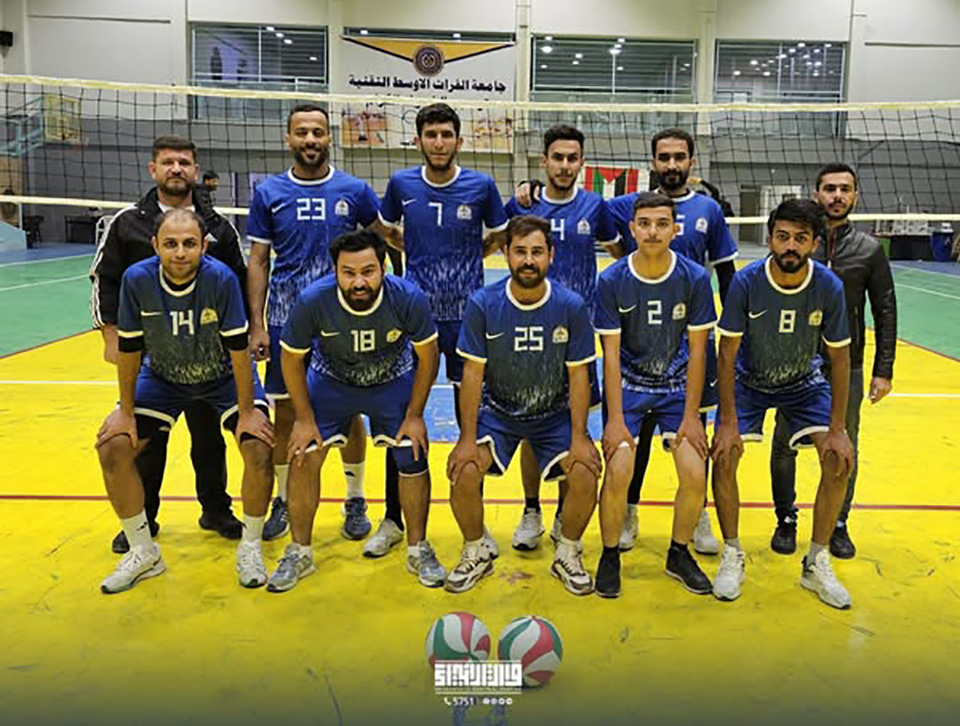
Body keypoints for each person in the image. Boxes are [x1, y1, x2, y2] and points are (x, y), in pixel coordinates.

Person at [96, 208, 274, 593]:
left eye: (189, 244)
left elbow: (239, 351)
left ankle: (251, 547)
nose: (180, 252)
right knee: (113, 447)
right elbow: (129, 349)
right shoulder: (137, 279)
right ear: (155, 245)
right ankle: (143, 551)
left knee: (259, 447)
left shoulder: (221, 279)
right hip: (163, 378)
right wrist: (126, 411)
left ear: (204, 246)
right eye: (171, 244)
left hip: (221, 377)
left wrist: (247, 412)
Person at [246, 103, 399, 547]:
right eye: (302, 132)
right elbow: (258, 260)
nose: (310, 140)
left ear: (329, 137)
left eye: (317, 132)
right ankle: (282, 498)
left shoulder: (354, 189)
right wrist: (257, 324)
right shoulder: (269, 192)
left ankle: (355, 498)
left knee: (350, 410)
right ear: (289, 138)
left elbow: (385, 245)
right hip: (286, 319)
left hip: (344, 322)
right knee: (286, 413)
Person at [90, 135, 245, 553]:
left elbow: (239, 280)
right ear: (153, 169)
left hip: (209, 353)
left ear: (195, 171)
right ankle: (145, 518)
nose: (176, 169)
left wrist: (248, 334)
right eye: (168, 162)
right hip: (152, 355)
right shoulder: (128, 223)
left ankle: (215, 509)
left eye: (184, 163)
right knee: (147, 440)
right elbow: (105, 278)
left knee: (208, 438)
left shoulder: (216, 225)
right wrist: (109, 333)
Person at [266, 230, 445, 592]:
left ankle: (418, 548)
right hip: (332, 383)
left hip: (391, 382)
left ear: (383, 268)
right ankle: (299, 552)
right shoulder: (313, 300)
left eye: (368, 271)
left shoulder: (407, 297)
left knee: (411, 452)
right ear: (335, 271)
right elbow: (290, 358)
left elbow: (429, 356)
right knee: (303, 453)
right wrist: (303, 419)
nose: (359, 282)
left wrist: (415, 415)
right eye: (348, 273)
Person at [378, 102, 509, 558]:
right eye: (431, 134)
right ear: (418, 140)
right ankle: (393, 518)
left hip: (468, 317)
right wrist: (412, 252)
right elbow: (386, 231)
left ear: (459, 140)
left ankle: (476, 523)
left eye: (446, 134)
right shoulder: (401, 184)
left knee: (471, 421)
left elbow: (499, 235)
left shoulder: (481, 185)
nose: (438, 142)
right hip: (415, 317)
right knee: (402, 415)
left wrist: (472, 256)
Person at [445, 215, 601, 595]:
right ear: (505, 254)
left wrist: (580, 437)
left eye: (536, 252)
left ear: (551, 255)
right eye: (520, 252)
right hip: (498, 413)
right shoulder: (484, 303)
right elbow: (472, 375)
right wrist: (466, 439)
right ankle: (475, 550)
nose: (528, 260)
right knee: (464, 470)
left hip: (553, 415)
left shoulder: (570, 305)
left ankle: (567, 553)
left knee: (585, 471)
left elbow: (579, 376)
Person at [712, 198, 855, 609]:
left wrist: (838, 429)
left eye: (800, 238)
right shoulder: (746, 282)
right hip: (749, 381)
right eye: (782, 236)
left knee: (839, 459)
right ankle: (732, 553)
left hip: (803, 383)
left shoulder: (828, 286)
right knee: (724, 454)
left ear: (814, 243)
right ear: (771, 238)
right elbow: (726, 353)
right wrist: (727, 422)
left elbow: (839, 357)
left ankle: (816, 561)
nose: (790, 246)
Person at [504, 124, 622, 552]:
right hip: (529, 332)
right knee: (530, 426)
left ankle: (560, 514)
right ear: (544, 161)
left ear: (582, 164)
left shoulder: (596, 207)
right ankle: (531, 509)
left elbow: (621, 255)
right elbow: (497, 243)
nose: (565, 165)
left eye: (573, 158)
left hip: (578, 339)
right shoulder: (523, 206)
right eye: (558, 157)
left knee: (574, 427)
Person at [769, 163, 897, 559]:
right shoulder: (798, 244)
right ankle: (785, 519)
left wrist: (883, 370)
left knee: (845, 443)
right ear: (817, 193)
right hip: (794, 362)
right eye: (829, 188)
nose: (837, 196)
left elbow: (885, 310)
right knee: (785, 443)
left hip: (848, 364)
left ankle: (838, 523)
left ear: (855, 195)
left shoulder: (869, 250)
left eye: (844, 189)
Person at [594, 193, 716, 598]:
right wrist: (614, 420)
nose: (652, 231)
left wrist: (692, 416)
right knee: (618, 470)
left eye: (662, 223)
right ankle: (609, 555)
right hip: (628, 387)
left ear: (675, 229)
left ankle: (678, 553)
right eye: (644, 223)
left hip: (676, 388)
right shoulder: (612, 279)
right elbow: (610, 354)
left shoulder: (694, 278)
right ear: (632, 229)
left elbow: (698, 351)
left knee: (695, 473)